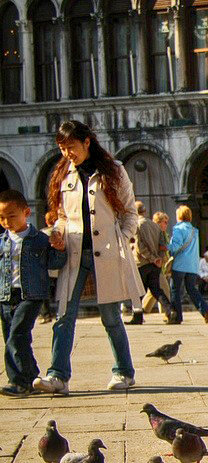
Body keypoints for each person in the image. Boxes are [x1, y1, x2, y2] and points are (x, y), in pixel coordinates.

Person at [33, 120, 144, 395]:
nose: (67, 153)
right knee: (64, 316)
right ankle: (58, 376)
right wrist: (58, 234)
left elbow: (129, 211)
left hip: (106, 252)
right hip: (73, 252)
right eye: (62, 148)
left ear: (86, 143)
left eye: (71, 147)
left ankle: (124, 372)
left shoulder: (113, 171)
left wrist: (123, 237)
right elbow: (61, 216)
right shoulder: (62, 175)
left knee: (110, 317)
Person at [0, 190, 67, 396]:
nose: (6, 221)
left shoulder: (39, 239)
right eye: (2, 217)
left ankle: (24, 381)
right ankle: (23, 379)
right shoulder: (2, 240)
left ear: (26, 212)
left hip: (31, 294)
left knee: (17, 335)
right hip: (5, 294)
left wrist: (60, 248)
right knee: (11, 337)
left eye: (11, 216)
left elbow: (55, 263)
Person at [126, 201, 172, 325]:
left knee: (138, 292)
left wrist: (152, 258)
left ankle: (137, 317)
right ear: (144, 211)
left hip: (142, 263)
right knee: (156, 290)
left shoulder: (136, 225)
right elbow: (163, 245)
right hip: (155, 265)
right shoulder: (155, 226)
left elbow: (139, 247)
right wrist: (159, 259)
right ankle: (170, 310)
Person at [166, 205, 208, 324]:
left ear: (179, 216)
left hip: (180, 264)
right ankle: (205, 309)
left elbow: (175, 247)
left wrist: (165, 246)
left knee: (175, 290)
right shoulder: (195, 230)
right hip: (192, 265)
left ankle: (177, 317)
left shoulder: (178, 229)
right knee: (191, 289)